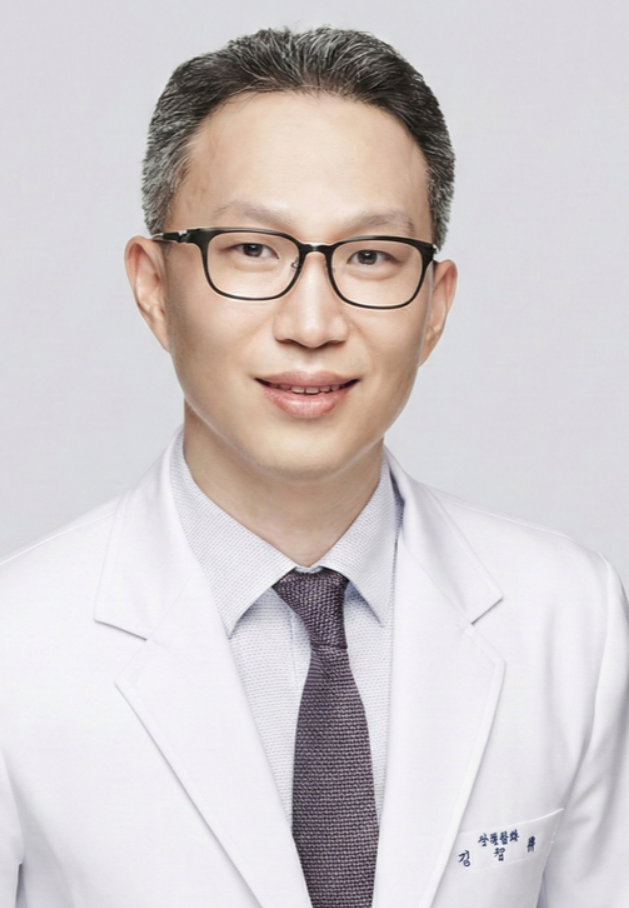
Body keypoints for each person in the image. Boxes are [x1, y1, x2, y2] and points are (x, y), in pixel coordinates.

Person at [0, 25, 627, 908]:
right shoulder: (19, 644)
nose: (311, 323)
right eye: (253, 249)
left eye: (370, 257)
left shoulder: (569, 618)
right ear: (153, 286)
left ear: (434, 305)